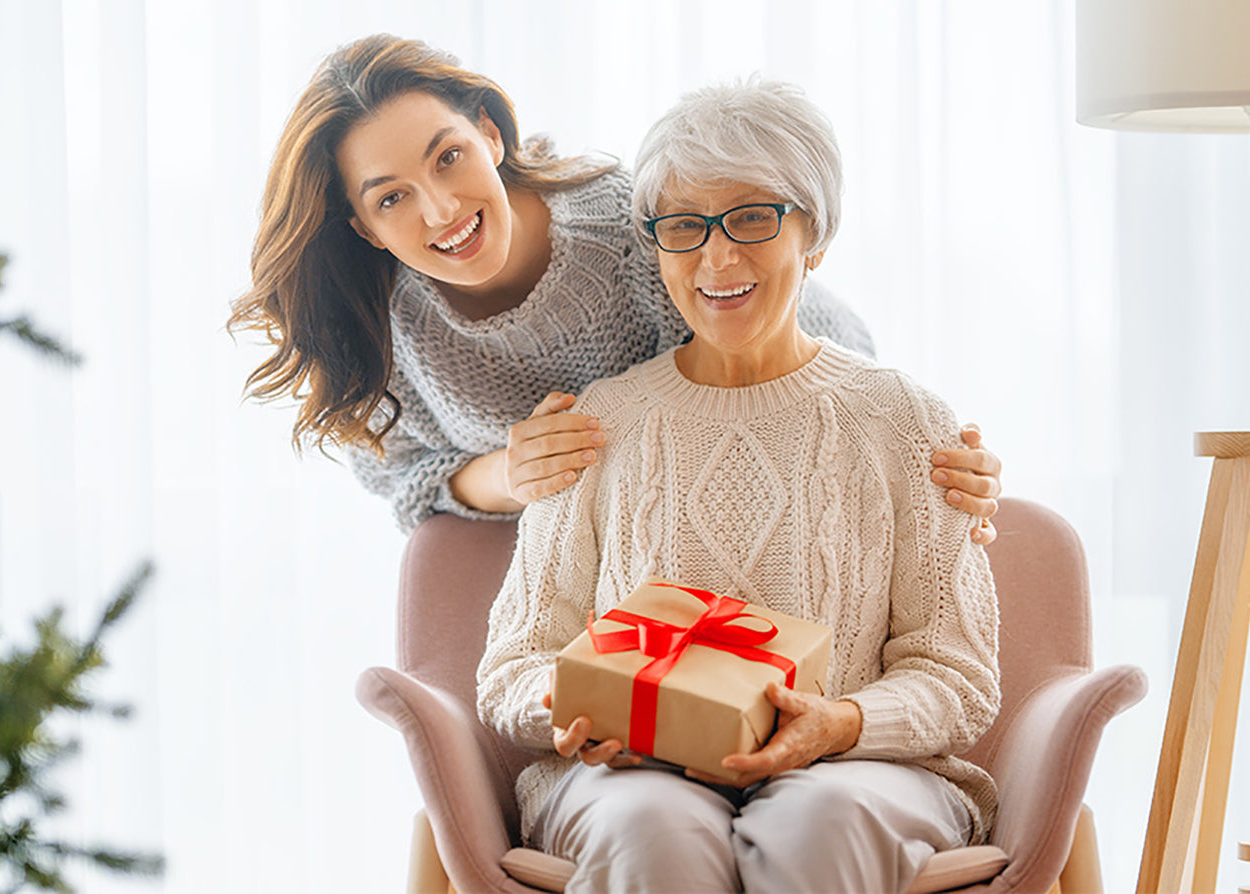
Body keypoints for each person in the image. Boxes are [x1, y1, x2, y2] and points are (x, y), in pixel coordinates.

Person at [475, 79, 1000, 894]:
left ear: (814, 235)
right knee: (652, 827)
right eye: (683, 226)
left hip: (855, 773)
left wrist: (839, 724)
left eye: (753, 217)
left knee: (817, 820)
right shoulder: (597, 424)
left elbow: (957, 677)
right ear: (655, 244)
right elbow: (512, 665)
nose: (717, 257)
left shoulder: (906, 421)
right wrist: (581, 706)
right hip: (629, 781)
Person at [228, 34, 1003, 539]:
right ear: (362, 226)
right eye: (390, 197)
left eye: (448, 157)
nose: (440, 210)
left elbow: (782, 349)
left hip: (726, 510)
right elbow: (401, 477)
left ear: (489, 134)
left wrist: (910, 449)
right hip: (565, 569)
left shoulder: (627, 232)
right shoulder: (379, 326)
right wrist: (506, 473)